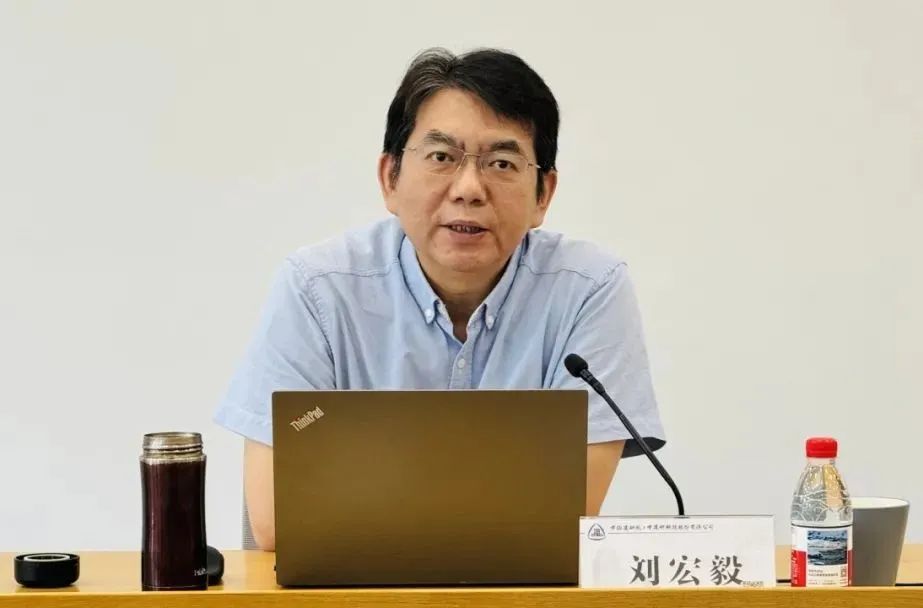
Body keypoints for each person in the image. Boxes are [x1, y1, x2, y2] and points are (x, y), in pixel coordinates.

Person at [214, 47, 665, 551]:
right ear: (390, 179)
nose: (469, 189)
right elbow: (279, 520)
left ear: (543, 195)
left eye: (501, 162)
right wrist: (497, 503)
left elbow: (567, 513)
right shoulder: (318, 289)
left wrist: (366, 499)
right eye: (441, 158)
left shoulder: (589, 290)